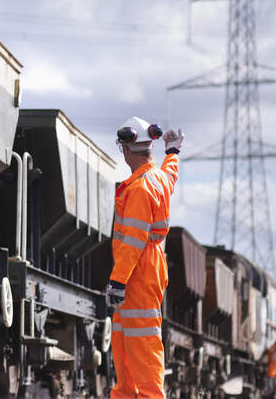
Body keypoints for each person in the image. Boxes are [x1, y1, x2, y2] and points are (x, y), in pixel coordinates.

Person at [104, 117, 183, 399]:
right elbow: (170, 177)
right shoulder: (157, 178)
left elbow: (134, 240)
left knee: (142, 345)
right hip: (147, 267)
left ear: (126, 150)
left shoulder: (139, 188)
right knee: (125, 344)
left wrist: (118, 280)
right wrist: (172, 152)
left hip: (137, 271)